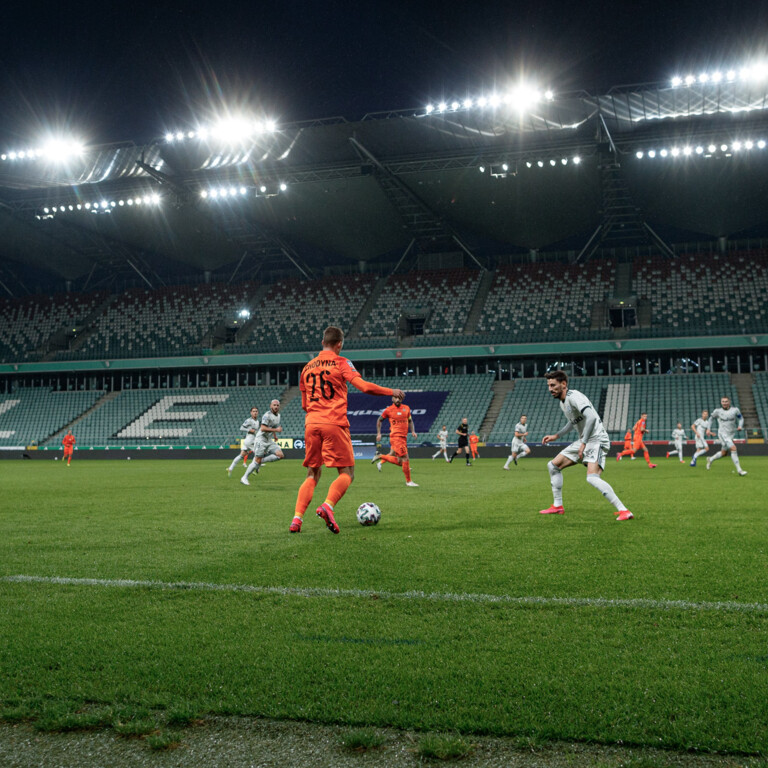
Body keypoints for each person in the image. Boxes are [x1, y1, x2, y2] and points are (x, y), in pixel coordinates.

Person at [290, 326, 404, 534]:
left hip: (311, 423)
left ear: (322, 342)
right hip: (333, 422)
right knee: (347, 473)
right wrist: (392, 391)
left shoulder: (306, 368)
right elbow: (365, 387)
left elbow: (304, 405)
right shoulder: (341, 362)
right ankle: (327, 505)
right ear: (339, 344)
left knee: (312, 473)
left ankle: (297, 520)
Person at [540, 370, 633, 521]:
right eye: (549, 385)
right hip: (586, 439)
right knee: (553, 465)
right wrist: (556, 436)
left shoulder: (574, 396)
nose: (550, 388)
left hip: (596, 439)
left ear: (563, 384)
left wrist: (583, 443)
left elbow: (590, 418)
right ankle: (558, 506)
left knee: (592, 477)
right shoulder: (563, 403)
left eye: (553, 385)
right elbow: (573, 422)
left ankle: (624, 510)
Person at [372, 394, 419, 486]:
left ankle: (381, 456)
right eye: (396, 398)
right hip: (396, 437)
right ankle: (409, 481)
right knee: (405, 458)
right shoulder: (389, 410)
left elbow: (410, 420)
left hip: (403, 437)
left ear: (402, 399)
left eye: (399, 398)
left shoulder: (406, 408)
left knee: (400, 461)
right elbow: (379, 420)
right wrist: (378, 433)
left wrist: (413, 431)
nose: (397, 399)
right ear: (392, 399)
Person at [241, 399, 284, 485]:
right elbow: (263, 428)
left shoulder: (278, 416)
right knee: (257, 461)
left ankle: (262, 461)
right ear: (270, 406)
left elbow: (274, 426)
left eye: (277, 405)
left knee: (280, 455)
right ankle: (244, 477)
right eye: (274, 405)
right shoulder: (266, 415)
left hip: (269, 440)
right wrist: (276, 430)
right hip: (261, 440)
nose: (276, 407)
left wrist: (275, 436)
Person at [706, 397, 747, 475]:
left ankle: (710, 459)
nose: (724, 403)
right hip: (722, 434)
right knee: (733, 448)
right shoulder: (717, 411)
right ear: (721, 402)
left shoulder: (735, 410)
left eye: (726, 401)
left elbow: (741, 418)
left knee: (724, 453)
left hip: (731, 434)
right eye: (723, 401)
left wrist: (740, 426)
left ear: (729, 402)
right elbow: (711, 419)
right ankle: (739, 470)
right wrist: (708, 429)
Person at [227, 407, 259, 476]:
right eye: (253, 411)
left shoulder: (257, 421)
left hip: (249, 440)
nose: (255, 412)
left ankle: (230, 468)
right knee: (258, 454)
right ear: (251, 413)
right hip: (249, 441)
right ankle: (253, 469)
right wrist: (249, 430)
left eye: (256, 411)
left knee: (241, 455)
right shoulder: (249, 420)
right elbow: (241, 428)